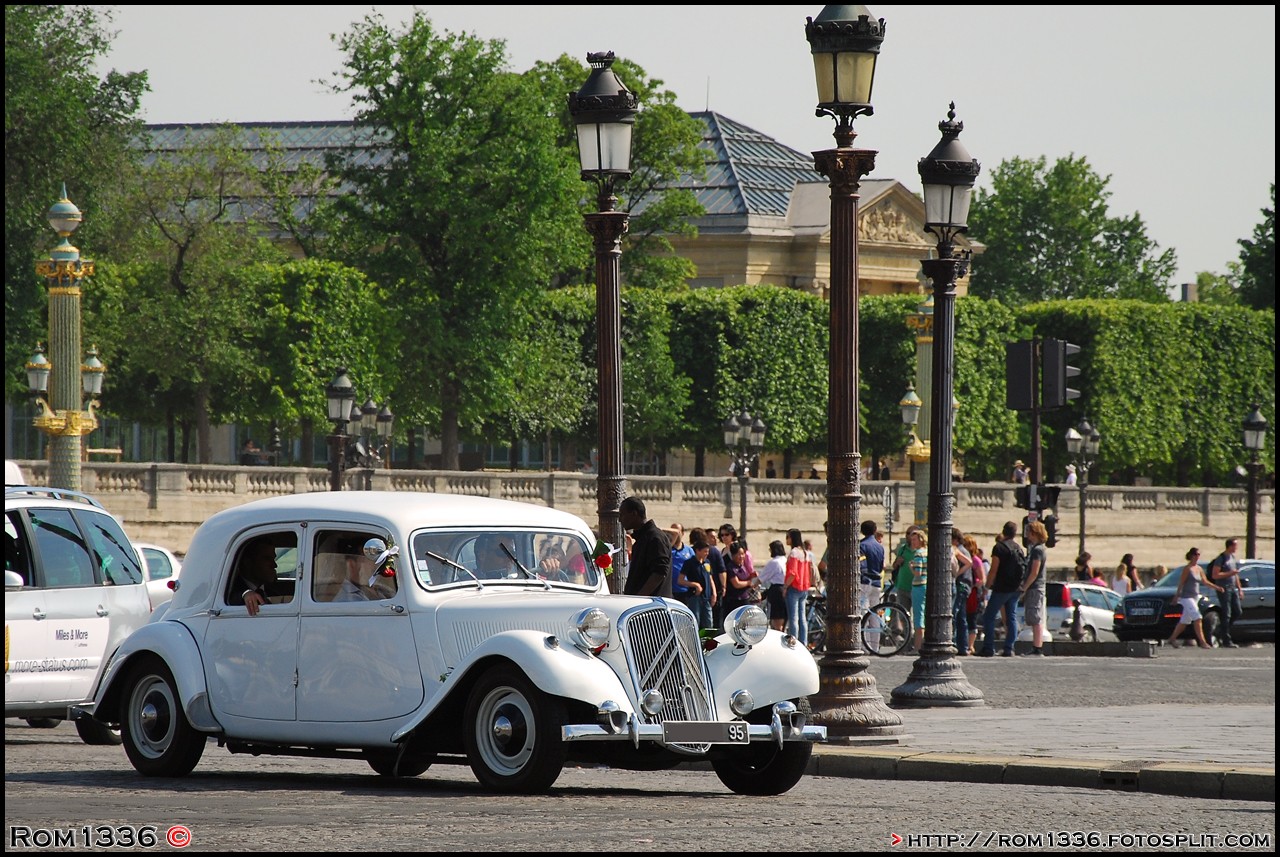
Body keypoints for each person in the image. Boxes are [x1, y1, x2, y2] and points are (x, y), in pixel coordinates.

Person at [979, 522, 1026, 657]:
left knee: (989, 616)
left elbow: (993, 570)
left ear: (1003, 531)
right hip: (1015, 588)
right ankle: (1009, 648)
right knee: (1011, 617)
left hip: (1002, 588)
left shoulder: (999, 548)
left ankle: (988, 647)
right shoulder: (1018, 548)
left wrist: (986, 587)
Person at [1167, 547, 1225, 648]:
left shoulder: (1199, 569)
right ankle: (1202, 642)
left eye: (1199, 554)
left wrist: (1217, 587)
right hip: (1186, 597)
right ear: (1191, 556)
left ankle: (1172, 639)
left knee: (1185, 621)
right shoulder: (1187, 569)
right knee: (1198, 617)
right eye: (1196, 554)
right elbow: (1181, 583)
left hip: (1195, 597)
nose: (1197, 556)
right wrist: (1177, 596)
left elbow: (1205, 581)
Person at [619, 497, 672, 598]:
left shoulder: (655, 538)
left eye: (622, 515)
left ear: (634, 514)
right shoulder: (643, 538)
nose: (620, 519)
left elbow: (659, 572)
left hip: (650, 604)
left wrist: (640, 597)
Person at [229, 537, 293, 616]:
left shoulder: (273, 592)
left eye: (273, 559)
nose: (274, 565)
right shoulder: (230, 590)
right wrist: (245, 594)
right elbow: (231, 598)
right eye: (267, 559)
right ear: (247, 562)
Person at [1020, 520, 1050, 656]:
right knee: (1034, 617)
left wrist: (1024, 587)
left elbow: (1034, 571)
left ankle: (1037, 647)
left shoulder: (1037, 550)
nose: (1027, 535)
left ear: (1035, 533)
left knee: (1035, 617)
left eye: (1028, 532)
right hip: (1037, 587)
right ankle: (1036, 646)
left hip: (1035, 587)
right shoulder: (1039, 549)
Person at [1209, 538, 1243, 647]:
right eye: (1235, 545)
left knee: (1237, 611)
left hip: (1233, 588)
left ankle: (1220, 630)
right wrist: (1230, 573)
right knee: (1226, 613)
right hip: (1224, 588)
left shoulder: (1232, 557)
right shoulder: (1221, 558)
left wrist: (1240, 589)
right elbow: (1215, 575)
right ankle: (1226, 639)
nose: (1236, 548)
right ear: (1230, 546)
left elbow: (1235, 575)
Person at [676, 539, 714, 628]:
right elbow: (680, 580)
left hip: (706, 596)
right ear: (697, 551)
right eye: (705, 551)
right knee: (696, 620)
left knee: (709, 621)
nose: (707, 554)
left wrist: (714, 593)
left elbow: (710, 578)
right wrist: (695, 585)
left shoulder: (707, 562)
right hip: (694, 596)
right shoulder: (689, 563)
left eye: (708, 551)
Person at [783, 528, 810, 645]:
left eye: (787, 537)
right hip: (804, 587)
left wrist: (785, 587)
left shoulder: (794, 552)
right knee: (802, 617)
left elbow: (793, 573)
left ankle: (793, 641)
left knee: (793, 618)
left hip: (794, 587)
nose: (786, 540)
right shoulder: (804, 552)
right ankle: (803, 642)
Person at [890, 525, 924, 618]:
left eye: (911, 533)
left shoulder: (922, 551)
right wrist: (897, 562)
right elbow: (894, 566)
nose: (908, 536)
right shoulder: (903, 549)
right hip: (902, 586)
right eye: (907, 533)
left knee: (918, 614)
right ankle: (906, 628)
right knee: (903, 615)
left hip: (916, 587)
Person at [950, 529, 975, 654]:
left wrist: (956, 574)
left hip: (960, 584)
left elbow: (968, 564)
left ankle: (954, 642)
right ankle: (963, 646)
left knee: (954, 614)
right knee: (961, 617)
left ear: (954, 539)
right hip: (965, 585)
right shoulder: (964, 550)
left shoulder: (958, 550)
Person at [962, 535, 987, 654]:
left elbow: (982, 579)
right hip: (966, 591)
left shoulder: (976, 560)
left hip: (973, 593)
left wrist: (973, 586)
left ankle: (970, 645)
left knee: (971, 618)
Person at [758, 539, 788, 631]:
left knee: (776, 621)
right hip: (787, 589)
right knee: (784, 619)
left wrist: (752, 585)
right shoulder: (786, 560)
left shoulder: (774, 562)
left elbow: (761, 578)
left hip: (777, 591)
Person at [721, 541, 759, 613]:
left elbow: (745, 579)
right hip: (734, 601)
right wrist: (748, 582)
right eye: (739, 554)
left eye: (742, 554)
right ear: (733, 555)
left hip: (745, 599)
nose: (741, 556)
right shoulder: (730, 567)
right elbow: (736, 584)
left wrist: (752, 576)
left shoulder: (742, 566)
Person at [858, 519, 884, 612]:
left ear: (862, 531)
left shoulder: (861, 545)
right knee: (875, 611)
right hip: (876, 582)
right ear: (875, 530)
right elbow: (881, 567)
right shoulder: (880, 547)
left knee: (863, 611)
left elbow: (861, 565)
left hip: (864, 582)